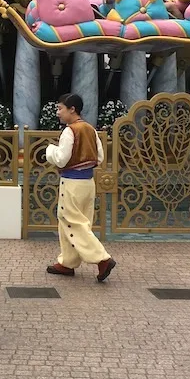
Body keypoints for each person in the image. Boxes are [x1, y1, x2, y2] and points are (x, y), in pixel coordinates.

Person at [45, 94, 116, 283]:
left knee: (72, 221)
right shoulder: (90, 129)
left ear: (72, 109)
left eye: (60, 108)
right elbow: (99, 158)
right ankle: (68, 262)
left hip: (71, 183)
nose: (58, 113)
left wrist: (50, 151)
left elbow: (61, 159)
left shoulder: (70, 131)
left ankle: (102, 259)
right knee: (78, 221)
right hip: (87, 183)